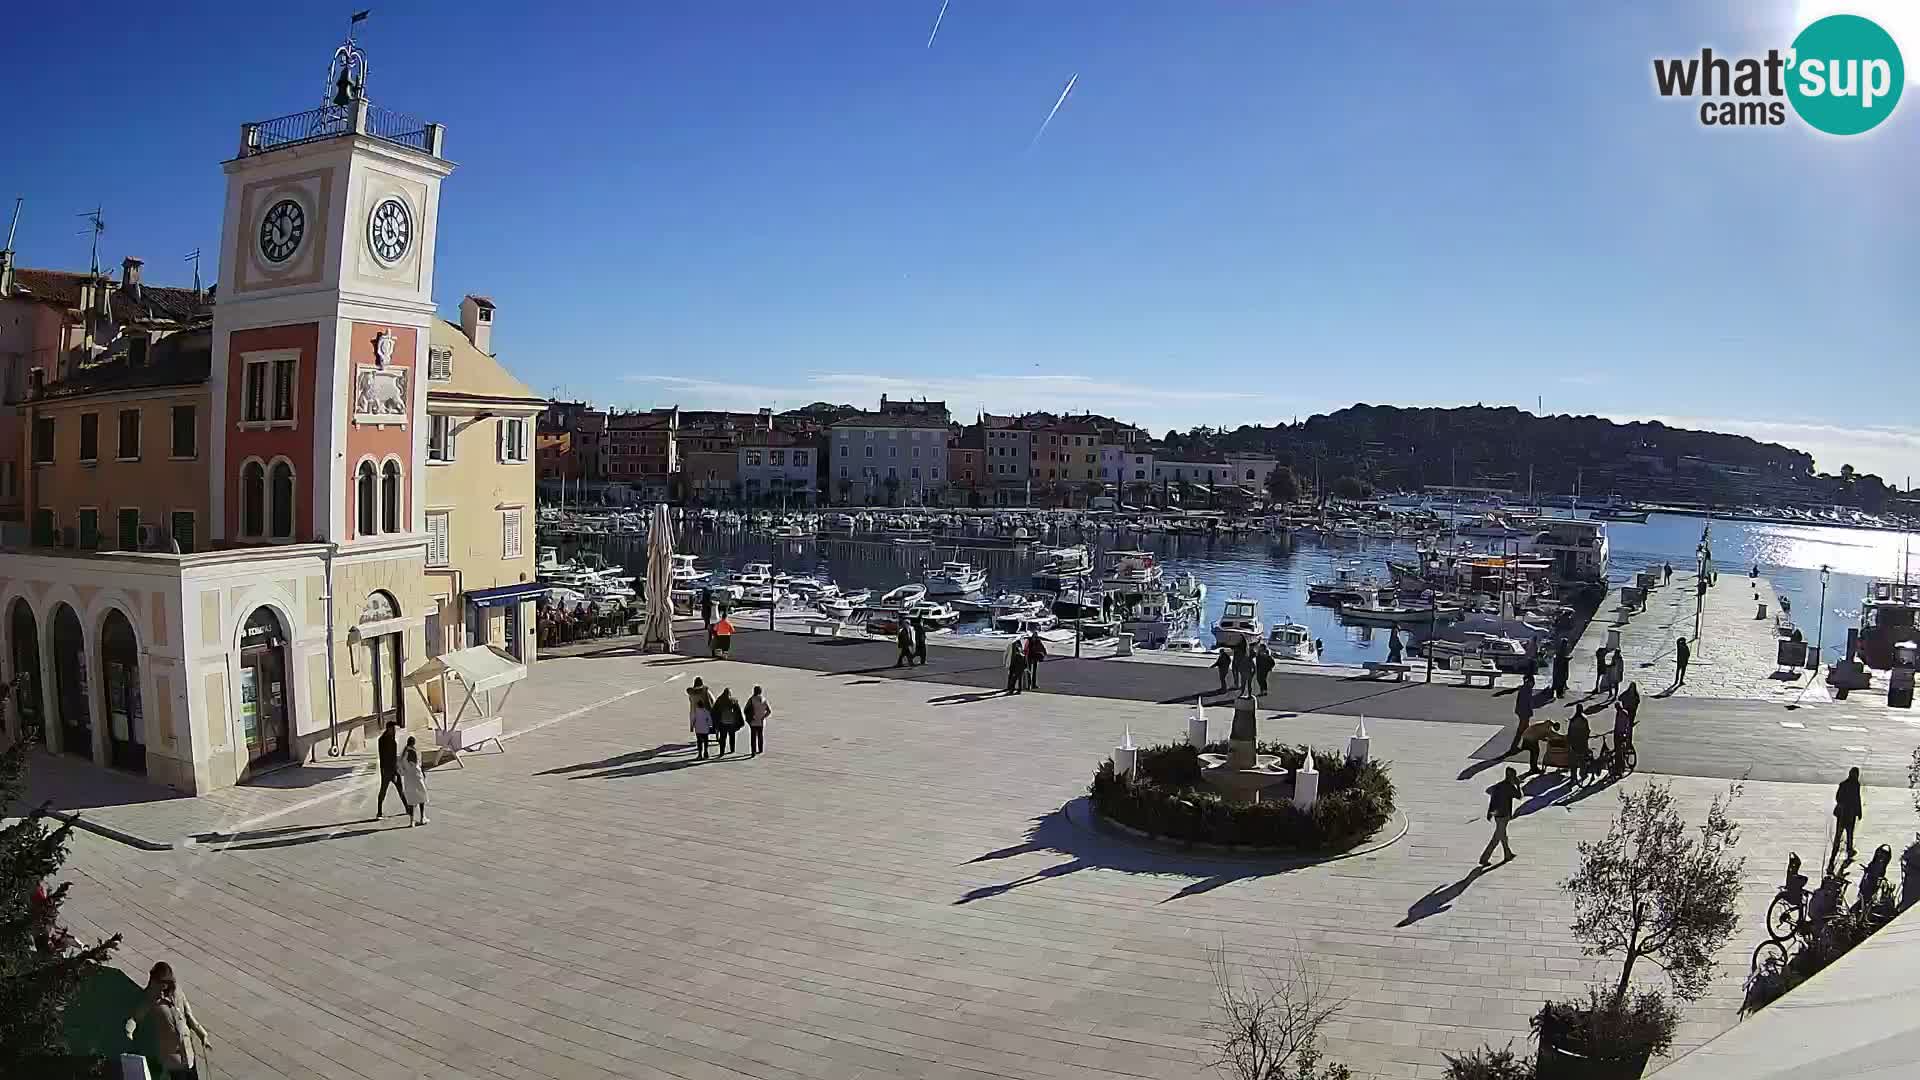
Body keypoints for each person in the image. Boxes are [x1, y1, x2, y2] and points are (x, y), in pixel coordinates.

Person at [127, 961, 211, 1079]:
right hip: (172, 1058)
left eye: (164, 983)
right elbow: (136, 1018)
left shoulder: (178, 993)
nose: (162, 986)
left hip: (188, 1054)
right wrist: (129, 1030)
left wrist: (203, 1035)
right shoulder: (151, 999)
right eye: (159, 982)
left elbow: (189, 1016)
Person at [1480, 767, 1522, 865]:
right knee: (1497, 838)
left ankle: (1508, 854)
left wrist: (1490, 813)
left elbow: (1492, 800)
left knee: (1502, 835)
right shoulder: (1510, 787)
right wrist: (1518, 785)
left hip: (1497, 815)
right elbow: (1519, 796)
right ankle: (1484, 859)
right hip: (1504, 815)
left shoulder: (1498, 786)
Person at [374, 719, 411, 820]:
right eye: (393, 728)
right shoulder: (383, 740)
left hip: (394, 769)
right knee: (383, 791)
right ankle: (379, 812)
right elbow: (385, 757)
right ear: (389, 728)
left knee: (400, 790)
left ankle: (407, 809)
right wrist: (391, 770)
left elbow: (394, 756)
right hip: (387, 770)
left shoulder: (391, 738)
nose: (395, 730)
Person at [1831, 766, 1863, 870]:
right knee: (1849, 834)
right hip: (1849, 814)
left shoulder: (1843, 784)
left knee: (1840, 834)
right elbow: (1857, 799)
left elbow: (1838, 798)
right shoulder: (1855, 785)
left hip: (1843, 814)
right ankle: (1848, 851)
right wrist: (1859, 812)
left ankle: (1834, 854)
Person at [399, 737, 429, 826]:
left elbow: (401, 767)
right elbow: (416, 765)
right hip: (416, 777)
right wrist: (422, 774)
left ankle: (411, 821)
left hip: (408, 778)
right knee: (422, 795)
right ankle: (422, 817)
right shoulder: (412, 752)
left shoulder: (404, 753)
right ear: (414, 743)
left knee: (411, 798)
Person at [1507, 672, 1535, 757]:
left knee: (1526, 728)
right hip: (1524, 712)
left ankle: (1525, 744)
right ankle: (1513, 747)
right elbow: (1526, 703)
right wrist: (1529, 712)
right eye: (1533, 682)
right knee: (1521, 730)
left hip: (1521, 711)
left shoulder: (1524, 688)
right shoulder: (1527, 689)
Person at [688, 678, 715, 759]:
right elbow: (712, 700)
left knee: (699, 740)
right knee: (706, 739)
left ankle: (700, 754)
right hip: (705, 718)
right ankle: (706, 752)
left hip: (695, 716)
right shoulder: (705, 691)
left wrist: (692, 726)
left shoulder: (691, 694)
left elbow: (690, 701)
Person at [713, 688, 744, 756]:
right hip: (732, 722)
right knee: (732, 736)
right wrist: (741, 722)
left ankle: (722, 752)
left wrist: (715, 722)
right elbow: (738, 712)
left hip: (722, 722)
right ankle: (732, 749)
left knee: (723, 738)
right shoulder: (734, 701)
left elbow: (714, 711)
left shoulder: (719, 700)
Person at [1565, 703, 1591, 780]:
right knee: (1582, 760)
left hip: (1574, 743)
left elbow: (1569, 732)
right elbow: (1587, 731)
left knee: (1574, 761)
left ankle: (1573, 776)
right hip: (1582, 743)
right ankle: (1583, 774)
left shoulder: (1572, 720)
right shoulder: (1584, 720)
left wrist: (1569, 741)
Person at [746, 685, 770, 756]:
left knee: (753, 737)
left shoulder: (751, 699)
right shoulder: (764, 700)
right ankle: (760, 749)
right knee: (760, 735)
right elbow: (769, 711)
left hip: (753, 721)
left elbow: (746, 709)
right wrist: (763, 717)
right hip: (761, 722)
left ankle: (753, 752)